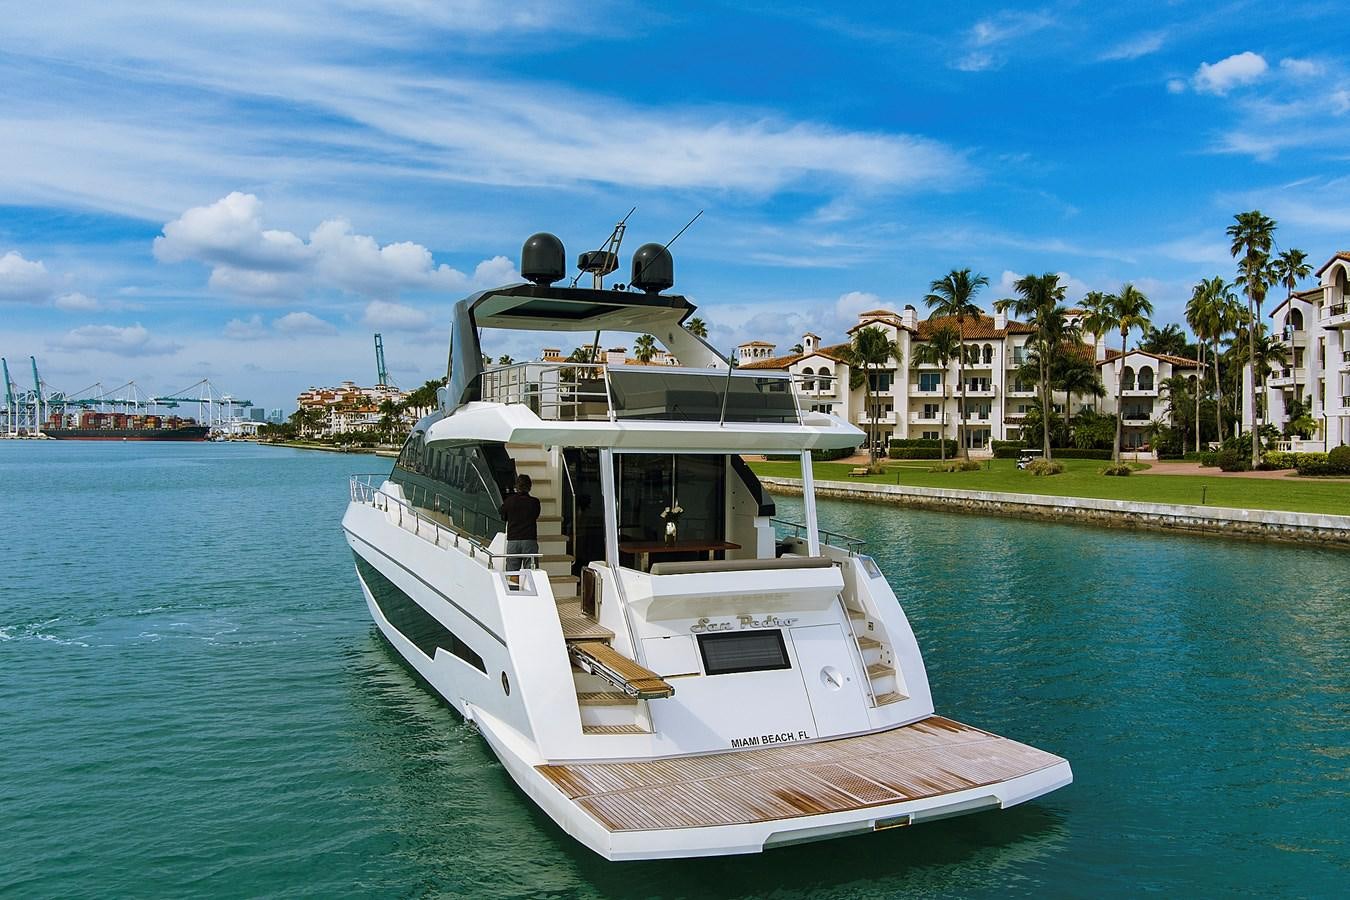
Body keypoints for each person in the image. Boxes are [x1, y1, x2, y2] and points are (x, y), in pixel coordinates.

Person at [499, 473, 541, 573]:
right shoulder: (535, 502)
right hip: (529, 540)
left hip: (513, 540)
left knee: (512, 573)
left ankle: (513, 584)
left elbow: (502, 515)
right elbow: (535, 515)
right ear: (529, 487)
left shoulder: (509, 501)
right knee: (531, 573)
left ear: (516, 487)